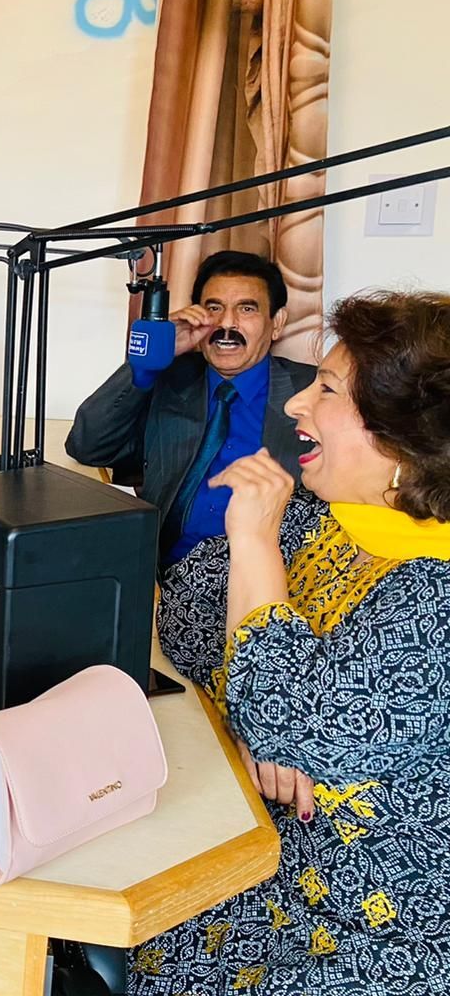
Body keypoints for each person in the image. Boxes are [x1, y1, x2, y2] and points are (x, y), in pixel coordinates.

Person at [133, 290, 450, 994]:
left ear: (403, 434)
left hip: (364, 935)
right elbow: (186, 607)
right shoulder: (338, 514)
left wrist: (255, 544)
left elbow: (289, 719)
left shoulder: (437, 594)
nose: (296, 405)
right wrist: (259, 716)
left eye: (329, 389)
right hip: (269, 864)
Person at [66, 250, 317, 565]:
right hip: (159, 575)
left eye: (247, 308)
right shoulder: (169, 379)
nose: (227, 323)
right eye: (214, 308)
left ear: (276, 323)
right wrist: (147, 363)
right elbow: (87, 446)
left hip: (265, 580)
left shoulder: (313, 392)